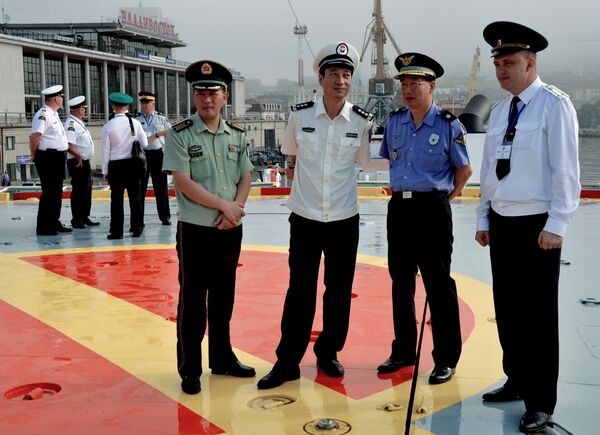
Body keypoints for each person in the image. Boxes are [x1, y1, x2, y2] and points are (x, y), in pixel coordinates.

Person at [476, 22, 580, 434]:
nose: (503, 70)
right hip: (503, 223)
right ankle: (516, 379)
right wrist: (484, 217)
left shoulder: (555, 105)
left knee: (537, 316)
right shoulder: (501, 111)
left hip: (539, 226)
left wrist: (557, 224)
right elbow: (488, 170)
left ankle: (540, 401)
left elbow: (566, 170)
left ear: (531, 62)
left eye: (510, 62)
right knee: (508, 309)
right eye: (498, 63)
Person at [257, 42, 377, 390]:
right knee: (300, 290)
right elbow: (292, 156)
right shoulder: (299, 116)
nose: (341, 80)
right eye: (334, 74)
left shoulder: (361, 121)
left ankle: (328, 352)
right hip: (306, 217)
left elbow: (365, 163)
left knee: (339, 291)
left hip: (344, 218)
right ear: (320, 77)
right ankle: (287, 361)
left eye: (346, 74)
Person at [377, 53, 472, 385]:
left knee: (438, 284)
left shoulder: (448, 124)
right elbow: (390, 159)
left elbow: (464, 169)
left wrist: (445, 197)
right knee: (400, 283)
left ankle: (446, 358)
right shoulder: (394, 122)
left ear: (432, 86)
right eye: (403, 83)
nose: (408, 89)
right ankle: (403, 350)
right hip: (400, 210)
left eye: (415, 83)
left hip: (432, 209)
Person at [162, 59, 255, 395]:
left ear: (225, 96)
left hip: (229, 228)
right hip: (197, 230)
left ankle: (222, 358)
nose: (206, 98)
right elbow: (183, 182)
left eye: (212, 91)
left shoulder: (237, 135)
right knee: (192, 299)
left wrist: (237, 209)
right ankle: (190, 368)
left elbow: (246, 174)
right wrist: (225, 206)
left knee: (223, 297)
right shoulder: (179, 134)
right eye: (200, 92)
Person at [101, 92, 148, 240]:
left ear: (113, 106)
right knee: (136, 197)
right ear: (127, 106)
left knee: (116, 200)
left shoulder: (108, 126)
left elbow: (105, 151)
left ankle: (117, 231)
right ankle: (137, 228)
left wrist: (105, 171)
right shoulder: (135, 123)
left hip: (116, 166)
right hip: (133, 164)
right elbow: (145, 143)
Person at [30, 85, 72, 236]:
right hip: (48, 157)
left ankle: (54, 221)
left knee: (56, 192)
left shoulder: (53, 114)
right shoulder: (43, 114)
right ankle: (43, 227)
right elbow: (35, 137)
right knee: (49, 192)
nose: (62, 100)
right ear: (56, 99)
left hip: (57, 157)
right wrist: (33, 155)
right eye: (61, 97)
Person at [135, 91, 172, 226]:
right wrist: (157, 134)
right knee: (141, 188)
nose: (144, 106)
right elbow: (139, 140)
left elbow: (171, 135)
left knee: (161, 188)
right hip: (142, 156)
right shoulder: (136, 120)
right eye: (142, 103)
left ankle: (165, 217)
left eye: (146, 103)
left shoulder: (161, 119)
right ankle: (139, 219)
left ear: (153, 104)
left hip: (158, 154)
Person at [65, 96, 99, 229]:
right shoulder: (71, 124)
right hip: (77, 162)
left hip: (84, 161)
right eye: (83, 108)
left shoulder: (78, 122)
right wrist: (79, 155)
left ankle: (84, 216)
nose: (84, 111)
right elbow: (68, 145)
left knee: (86, 190)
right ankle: (77, 219)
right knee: (79, 191)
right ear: (78, 109)